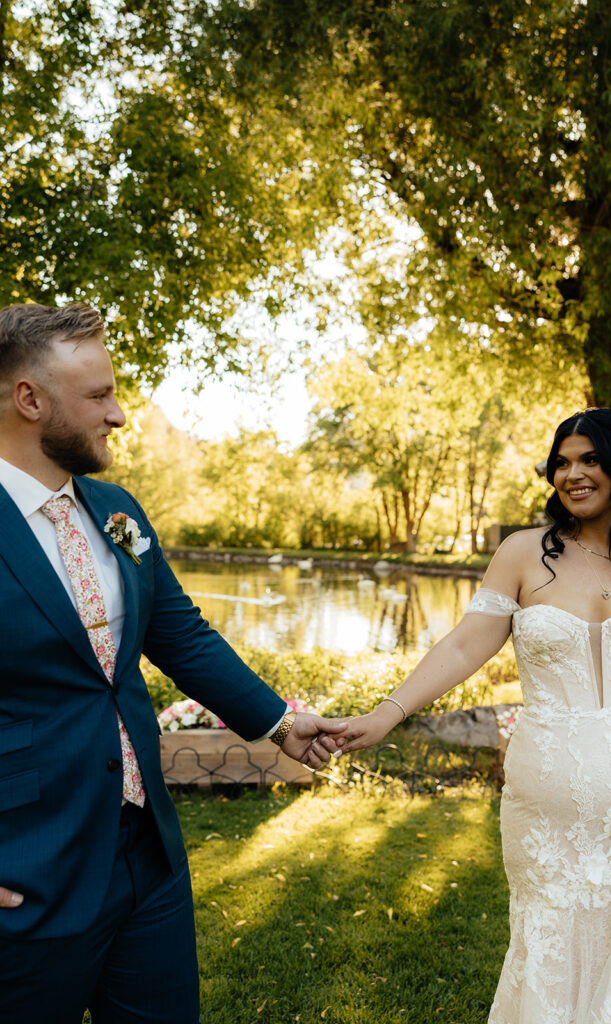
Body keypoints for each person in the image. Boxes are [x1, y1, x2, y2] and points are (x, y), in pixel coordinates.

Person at [0, 301, 346, 1024]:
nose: (118, 414)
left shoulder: (117, 510)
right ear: (29, 399)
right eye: (98, 395)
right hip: (27, 865)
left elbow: (178, 633)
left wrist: (280, 724)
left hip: (146, 856)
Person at [338, 408, 611, 1023]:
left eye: (590, 459)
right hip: (546, 793)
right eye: (562, 461)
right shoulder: (524, 553)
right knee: (548, 932)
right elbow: (468, 644)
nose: (573, 474)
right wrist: (386, 714)